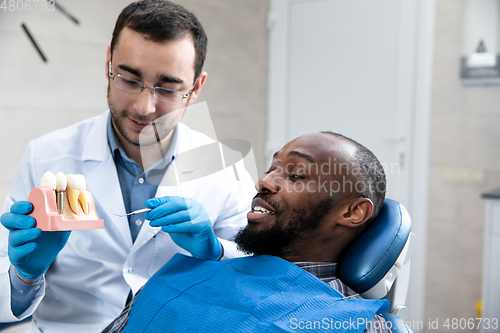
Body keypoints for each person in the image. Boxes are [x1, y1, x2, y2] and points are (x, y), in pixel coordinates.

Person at [0, 1, 255, 332]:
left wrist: (216, 250)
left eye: (167, 88)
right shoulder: (47, 156)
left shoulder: (223, 169)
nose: (143, 107)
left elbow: (254, 281)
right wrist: (25, 275)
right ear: (108, 62)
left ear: (196, 89)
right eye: (129, 78)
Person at [102, 132, 392, 333]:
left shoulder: (355, 324)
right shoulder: (176, 279)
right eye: (272, 167)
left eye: (295, 174)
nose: (263, 181)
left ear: (353, 212)